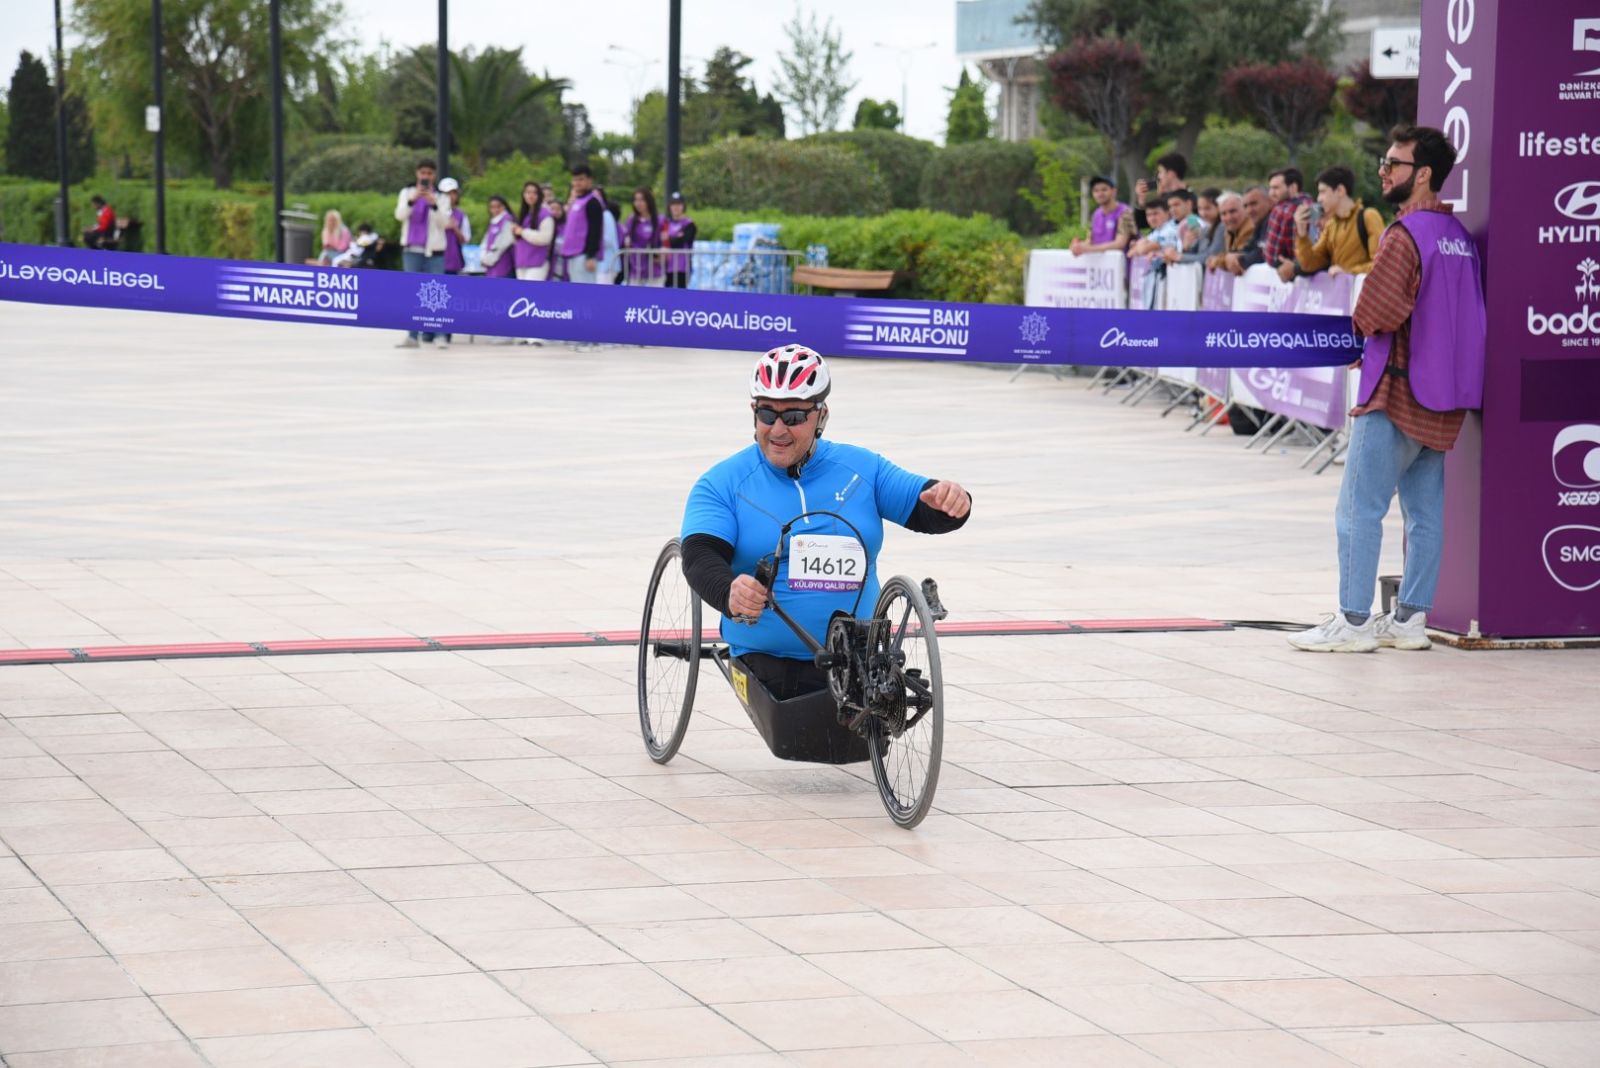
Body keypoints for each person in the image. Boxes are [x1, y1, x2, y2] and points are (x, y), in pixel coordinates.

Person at [1289, 126, 1486, 654]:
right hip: (1444, 399)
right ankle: (1410, 619)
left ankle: (1354, 622)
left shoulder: (1405, 235)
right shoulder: (1458, 237)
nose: (1383, 171)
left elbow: (1376, 312)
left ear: (1422, 174)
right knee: (1424, 516)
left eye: (1393, 164)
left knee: (1359, 509)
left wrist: (1361, 326)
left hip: (1395, 393)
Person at [680, 346, 972, 700]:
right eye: (767, 414)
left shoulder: (863, 468)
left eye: (794, 416)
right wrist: (729, 591)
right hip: (768, 660)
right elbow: (699, 556)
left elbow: (926, 505)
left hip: (860, 659)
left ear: (822, 416)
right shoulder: (722, 483)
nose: (778, 429)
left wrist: (951, 502)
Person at [393, 158, 452, 349]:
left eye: (429, 173)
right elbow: (399, 215)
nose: (426, 176)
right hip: (412, 249)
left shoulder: (442, 197)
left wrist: (433, 204)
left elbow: (445, 223)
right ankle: (412, 336)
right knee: (412, 293)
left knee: (437, 293)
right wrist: (413, 200)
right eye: (422, 173)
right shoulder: (406, 192)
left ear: (434, 176)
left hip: (434, 250)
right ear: (417, 174)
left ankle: (440, 335)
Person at [1294, 165, 1384, 277]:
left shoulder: (1369, 216)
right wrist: (1302, 234)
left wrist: (1348, 272)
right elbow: (1309, 264)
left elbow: (1381, 264)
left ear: (1340, 190)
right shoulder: (1331, 225)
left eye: (1323, 192)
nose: (1319, 199)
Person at [1261, 167, 1314, 283]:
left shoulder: (1281, 211)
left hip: (1290, 278)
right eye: (1270, 188)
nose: (1271, 193)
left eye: (1276, 188)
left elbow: (1272, 256)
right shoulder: (1311, 205)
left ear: (1293, 187)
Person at [559, 165, 606, 283]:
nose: (577, 183)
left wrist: (590, 256)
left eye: (581, 179)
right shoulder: (577, 201)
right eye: (575, 179)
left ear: (590, 180)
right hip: (572, 254)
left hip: (584, 255)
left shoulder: (593, 202)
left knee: (586, 291)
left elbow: (595, 230)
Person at [1071, 176, 1130, 255]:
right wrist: (1078, 246)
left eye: (1104, 190)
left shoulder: (1125, 212)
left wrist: (1089, 248)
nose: (1100, 194)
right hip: (1104, 262)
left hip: (1123, 262)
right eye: (1096, 191)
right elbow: (1090, 241)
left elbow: (1120, 244)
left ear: (1114, 191)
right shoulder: (1096, 215)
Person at [1223, 185, 1273, 275]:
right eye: (1245, 206)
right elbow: (1249, 248)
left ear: (1269, 202)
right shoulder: (1260, 224)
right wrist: (1231, 257)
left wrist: (1240, 260)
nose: (1249, 210)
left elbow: (1266, 252)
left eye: (1253, 204)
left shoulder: (1274, 221)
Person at [511, 182, 555, 281]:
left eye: (534, 193)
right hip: (521, 262)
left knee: (531, 290)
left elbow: (545, 238)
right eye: (528, 192)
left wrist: (522, 232)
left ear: (540, 195)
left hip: (537, 262)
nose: (530, 195)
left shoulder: (545, 213)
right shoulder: (525, 214)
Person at [623, 187, 666, 286]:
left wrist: (661, 255)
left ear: (649, 201)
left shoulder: (660, 219)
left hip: (655, 269)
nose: (638, 203)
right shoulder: (631, 220)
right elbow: (627, 240)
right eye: (636, 200)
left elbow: (665, 242)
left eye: (641, 200)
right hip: (636, 269)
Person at [1133, 152, 1187, 230]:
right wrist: (1141, 200)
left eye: (1160, 172)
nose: (1159, 176)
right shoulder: (1164, 197)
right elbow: (1141, 223)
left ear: (1171, 174)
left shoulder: (1189, 199)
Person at [1207, 192, 1255, 271]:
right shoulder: (1229, 231)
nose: (1228, 218)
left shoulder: (1250, 228)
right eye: (1223, 214)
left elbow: (1236, 258)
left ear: (1245, 209)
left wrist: (1216, 261)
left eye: (1233, 211)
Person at [1177, 188, 1225, 265]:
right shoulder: (1205, 229)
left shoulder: (1222, 227)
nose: (1203, 213)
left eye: (1207, 208)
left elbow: (1209, 257)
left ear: (1219, 207)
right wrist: (1186, 247)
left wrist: (1179, 257)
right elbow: (1195, 254)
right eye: (1200, 208)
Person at [477, 195, 517, 279]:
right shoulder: (493, 221)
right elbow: (485, 242)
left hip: (504, 265)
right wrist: (483, 257)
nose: (495, 210)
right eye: (492, 207)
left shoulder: (508, 220)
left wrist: (488, 260)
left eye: (498, 206)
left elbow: (502, 244)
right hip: (491, 265)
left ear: (504, 206)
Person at [663, 192, 696, 288]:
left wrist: (669, 238)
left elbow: (679, 241)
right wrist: (676, 237)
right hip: (666, 267)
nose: (676, 207)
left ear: (683, 206)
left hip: (682, 268)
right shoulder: (666, 223)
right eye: (673, 204)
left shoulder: (689, 224)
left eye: (678, 204)